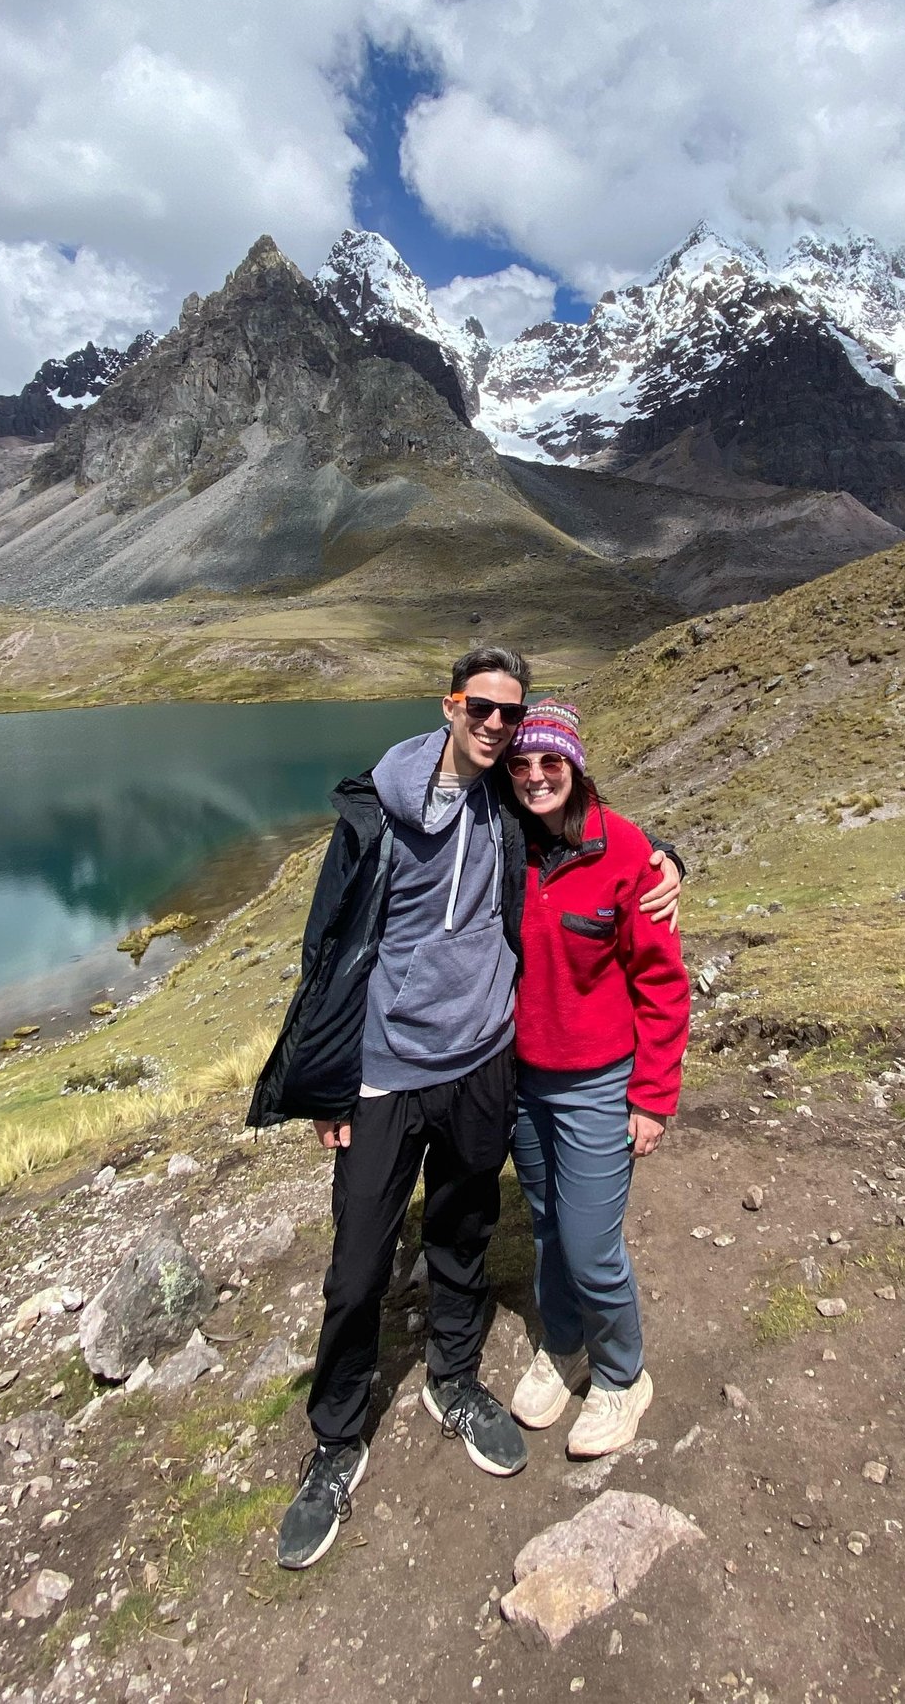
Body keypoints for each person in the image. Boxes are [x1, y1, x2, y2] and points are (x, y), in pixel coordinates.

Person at [246, 646, 682, 1570]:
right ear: (450, 705)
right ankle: (335, 1441)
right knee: (359, 1259)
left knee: (462, 1228)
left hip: (486, 1064)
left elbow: (595, 841)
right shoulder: (378, 812)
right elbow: (328, 945)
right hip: (387, 1073)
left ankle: (453, 1375)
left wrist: (670, 860)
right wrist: (326, 1082)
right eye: (480, 710)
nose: (496, 730)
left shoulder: (508, 809)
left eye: (509, 718)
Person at [504, 700, 690, 1458]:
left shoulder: (627, 852)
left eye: (551, 762)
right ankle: (564, 1342)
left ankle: (622, 1375)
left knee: (589, 1241)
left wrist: (651, 1097)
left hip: (596, 1084)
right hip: (523, 1083)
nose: (535, 776)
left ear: (576, 766)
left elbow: (662, 984)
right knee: (546, 1224)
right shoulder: (505, 839)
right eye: (521, 764)